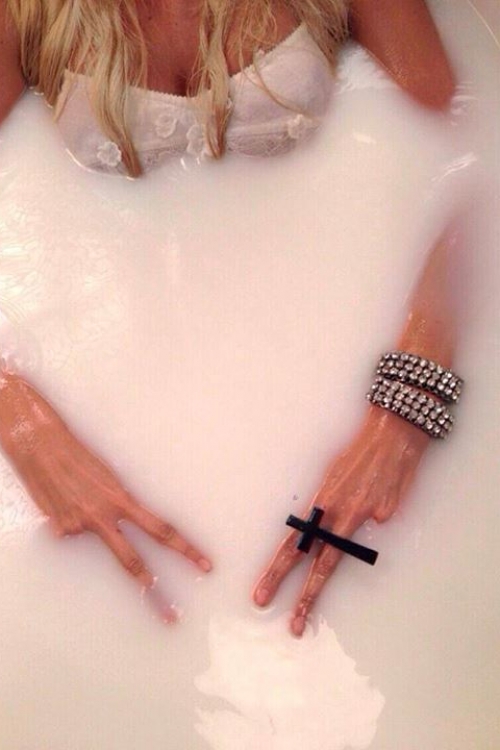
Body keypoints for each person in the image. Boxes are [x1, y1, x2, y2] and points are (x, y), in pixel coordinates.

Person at [0, 0, 457, 635]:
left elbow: (471, 149)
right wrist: (20, 421)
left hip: (335, 373)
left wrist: (406, 406)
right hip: (112, 401)